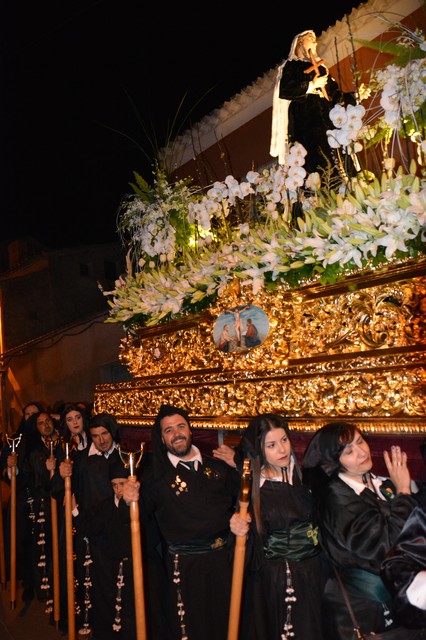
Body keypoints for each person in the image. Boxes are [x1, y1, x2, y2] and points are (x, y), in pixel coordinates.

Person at [121, 403, 241, 640]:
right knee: (191, 627)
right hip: (184, 566)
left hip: (223, 560)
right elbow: (140, 515)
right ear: (162, 439)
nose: (176, 434)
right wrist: (129, 500)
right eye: (168, 430)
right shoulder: (154, 477)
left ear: (190, 430)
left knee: (226, 621)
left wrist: (237, 465)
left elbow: (245, 498)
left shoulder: (219, 467)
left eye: (180, 427)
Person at [302, 421, 426, 640]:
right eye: (349, 451)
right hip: (364, 610)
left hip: (391, 599)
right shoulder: (338, 499)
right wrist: (404, 491)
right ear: (334, 462)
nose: (361, 453)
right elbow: (387, 546)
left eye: (360, 442)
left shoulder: (374, 482)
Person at [230, 414, 326, 640]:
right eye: (271, 445)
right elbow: (249, 549)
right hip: (279, 579)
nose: (282, 449)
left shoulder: (308, 477)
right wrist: (237, 529)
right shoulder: (253, 490)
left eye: (284, 440)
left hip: (316, 572)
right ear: (260, 450)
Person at [270, 30, 358, 184]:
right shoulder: (292, 66)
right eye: (310, 38)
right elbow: (285, 90)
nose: (315, 42)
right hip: (306, 117)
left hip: (327, 116)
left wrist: (354, 96)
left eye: (315, 39)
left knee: (337, 152)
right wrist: (311, 85)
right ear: (300, 42)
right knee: (316, 155)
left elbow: (335, 96)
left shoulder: (322, 68)